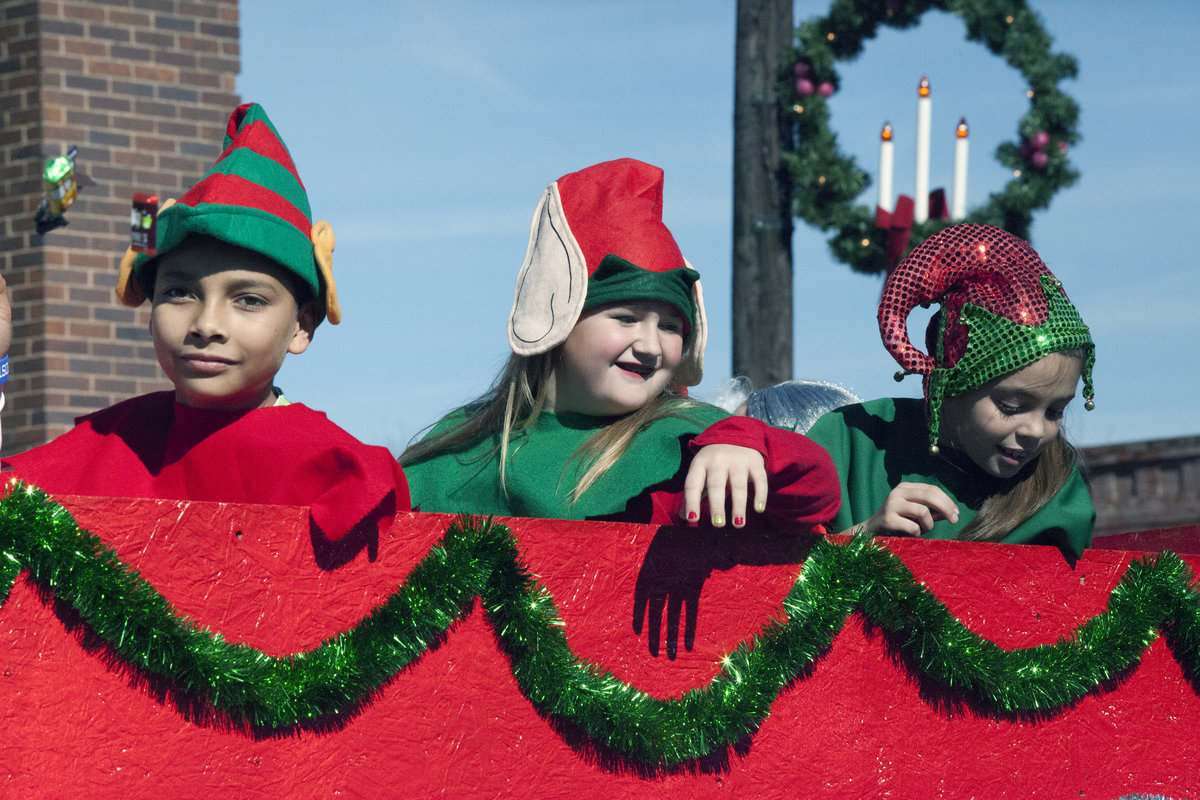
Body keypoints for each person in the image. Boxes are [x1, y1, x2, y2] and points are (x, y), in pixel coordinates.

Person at [3, 103, 408, 562]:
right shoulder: (103, 444)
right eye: (179, 293)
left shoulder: (341, 474)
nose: (206, 325)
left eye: (248, 300)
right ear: (150, 304)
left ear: (302, 327)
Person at [400, 158, 839, 530]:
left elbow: (818, 490)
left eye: (670, 327)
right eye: (626, 318)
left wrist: (748, 445)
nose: (650, 345)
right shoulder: (465, 444)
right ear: (561, 317)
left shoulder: (691, 439)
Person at [805, 223, 1096, 558]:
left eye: (1055, 411)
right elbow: (773, 590)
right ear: (953, 382)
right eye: (1012, 405)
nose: (1035, 430)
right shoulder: (850, 442)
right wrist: (864, 537)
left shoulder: (1057, 488)